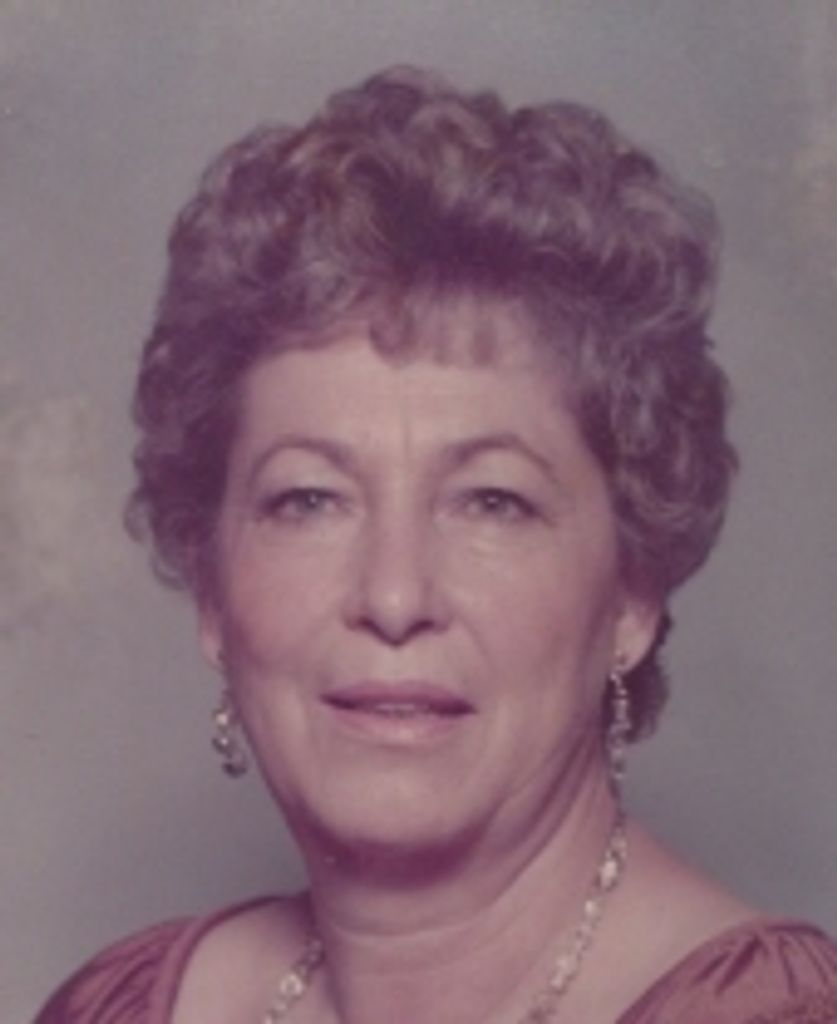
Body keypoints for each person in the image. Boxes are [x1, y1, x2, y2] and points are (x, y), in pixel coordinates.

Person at [36, 66, 837, 1024]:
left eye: (491, 502)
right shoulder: (121, 1006)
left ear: (631, 593)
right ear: (212, 590)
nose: (394, 595)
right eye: (309, 500)